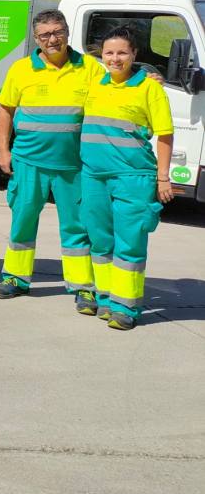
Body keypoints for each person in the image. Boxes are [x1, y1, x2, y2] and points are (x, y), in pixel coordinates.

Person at [0, 10, 102, 302]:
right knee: (23, 220)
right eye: (45, 35)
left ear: (67, 32)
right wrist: (3, 150)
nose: (52, 39)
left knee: (77, 225)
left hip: (73, 164)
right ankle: (16, 278)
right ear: (36, 38)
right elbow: (5, 110)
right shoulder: (21, 69)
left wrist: (145, 77)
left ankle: (83, 286)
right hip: (29, 162)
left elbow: (117, 88)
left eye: (57, 32)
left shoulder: (90, 68)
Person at [76, 27, 174, 330]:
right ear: (101, 55)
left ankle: (126, 307)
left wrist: (163, 178)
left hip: (133, 176)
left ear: (134, 55)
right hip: (94, 176)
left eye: (122, 52)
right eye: (109, 52)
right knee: (100, 239)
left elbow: (165, 135)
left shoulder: (149, 88)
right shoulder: (95, 83)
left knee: (129, 243)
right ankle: (106, 298)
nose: (115, 58)